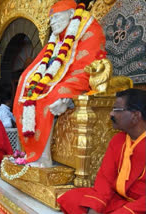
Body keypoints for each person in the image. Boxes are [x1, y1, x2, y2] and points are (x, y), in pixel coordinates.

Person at [13, 0, 107, 165]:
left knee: (52, 96)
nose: (52, 22)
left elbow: (86, 66)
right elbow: (40, 63)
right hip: (56, 79)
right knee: (25, 88)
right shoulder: (57, 38)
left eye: (56, 18)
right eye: (51, 20)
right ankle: (30, 153)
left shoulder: (89, 28)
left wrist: (67, 93)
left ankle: (42, 158)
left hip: (81, 77)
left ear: (71, 15)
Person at [58, 89, 146, 214]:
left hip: (140, 206)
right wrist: (94, 209)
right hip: (119, 200)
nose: (111, 114)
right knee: (71, 198)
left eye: (116, 109)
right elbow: (105, 180)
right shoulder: (118, 140)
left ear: (135, 115)